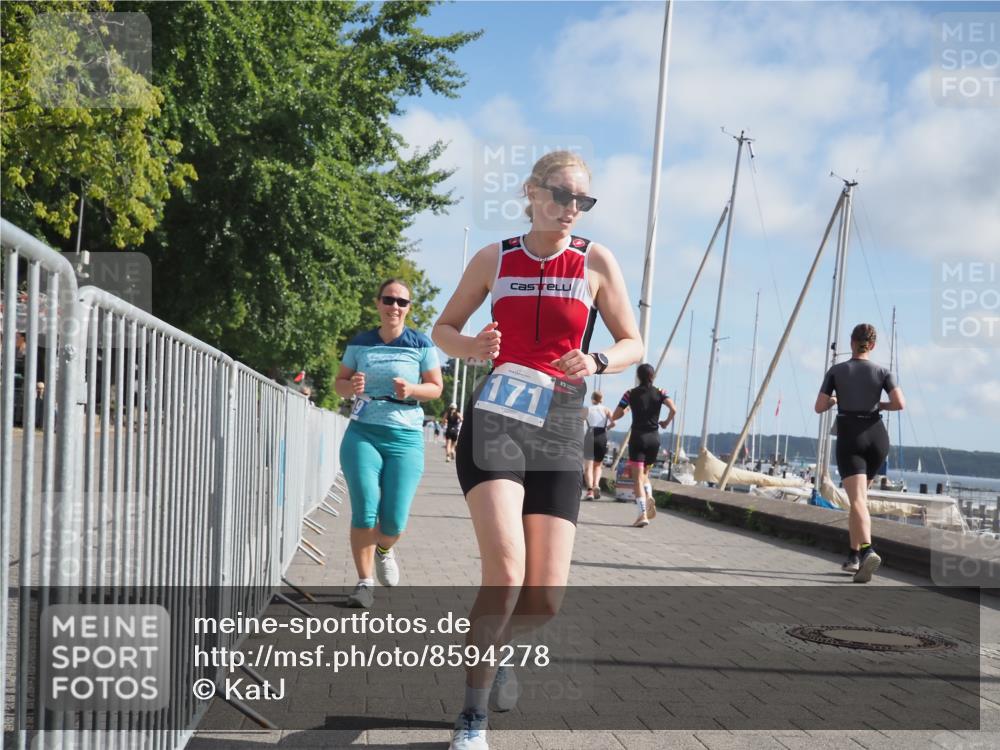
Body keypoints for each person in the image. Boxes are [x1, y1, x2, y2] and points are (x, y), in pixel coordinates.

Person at [432, 150, 643, 750]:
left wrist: (599, 359)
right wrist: (472, 345)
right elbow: (442, 330)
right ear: (530, 191)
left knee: (545, 596)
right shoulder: (494, 258)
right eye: (561, 195)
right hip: (498, 416)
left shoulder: (595, 260)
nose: (571, 209)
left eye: (582, 200)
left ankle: (494, 651)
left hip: (560, 423)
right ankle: (472, 717)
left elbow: (633, 340)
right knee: (505, 571)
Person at [334, 279, 443, 608]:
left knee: (394, 520)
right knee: (365, 511)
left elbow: (436, 388)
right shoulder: (361, 343)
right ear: (378, 303)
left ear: (409, 308)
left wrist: (412, 389)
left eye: (402, 302)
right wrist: (351, 385)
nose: (394, 306)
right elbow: (339, 385)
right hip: (363, 432)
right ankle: (364, 583)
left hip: (405, 436)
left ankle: (384, 548)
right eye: (388, 299)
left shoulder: (420, 344)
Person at [814, 323, 905, 583]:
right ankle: (854, 556)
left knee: (857, 501)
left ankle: (867, 549)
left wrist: (834, 400)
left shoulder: (837, 370)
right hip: (877, 437)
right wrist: (879, 404)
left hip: (851, 436)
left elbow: (819, 407)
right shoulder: (883, 371)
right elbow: (900, 403)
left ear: (851, 342)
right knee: (860, 500)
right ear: (872, 345)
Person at [612, 363, 676, 527]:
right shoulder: (661, 392)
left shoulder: (630, 393)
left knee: (637, 479)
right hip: (654, 439)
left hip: (638, 438)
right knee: (645, 474)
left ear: (638, 377)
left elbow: (615, 416)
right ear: (652, 376)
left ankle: (642, 514)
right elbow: (673, 409)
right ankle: (649, 495)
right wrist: (666, 422)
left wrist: (626, 410)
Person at [582, 391, 614, 500]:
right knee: (598, 465)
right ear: (602, 399)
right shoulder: (606, 409)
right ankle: (596, 485)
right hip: (602, 436)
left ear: (592, 399)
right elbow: (614, 422)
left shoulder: (587, 409)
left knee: (588, 467)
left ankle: (590, 491)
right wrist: (607, 428)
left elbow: (579, 421)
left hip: (590, 435)